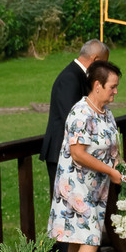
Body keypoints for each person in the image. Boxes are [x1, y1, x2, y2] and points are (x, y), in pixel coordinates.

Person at [49, 59, 126, 252]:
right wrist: (110, 171)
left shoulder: (106, 113)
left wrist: (119, 166)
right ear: (97, 85)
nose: (116, 91)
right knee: (90, 240)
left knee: (77, 240)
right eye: (112, 86)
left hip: (96, 189)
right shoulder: (81, 113)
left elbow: (111, 146)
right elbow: (78, 154)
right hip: (76, 188)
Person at [44, 40, 111, 178]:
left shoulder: (79, 75)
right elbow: (71, 117)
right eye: (104, 63)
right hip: (63, 153)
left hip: (76, 150)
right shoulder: (70, 78)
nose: (105, 68)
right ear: (95, 59)